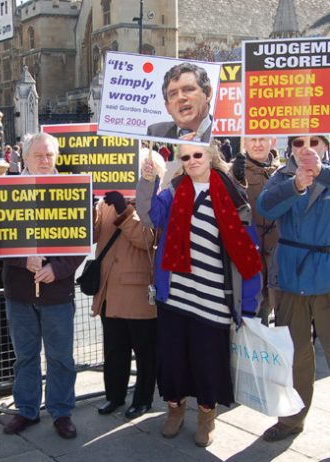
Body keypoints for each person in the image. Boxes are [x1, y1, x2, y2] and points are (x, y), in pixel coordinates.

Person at [137, 143, 262, 447]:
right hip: (176, 294)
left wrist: (248, 305)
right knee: (172, 360)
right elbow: (148, 216)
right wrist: (148, 181)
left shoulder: (233, 195)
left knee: (208, 363)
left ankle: (207, 417)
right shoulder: (173, 190)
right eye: (185, 157)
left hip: (214, 297)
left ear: (210, 157)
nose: (191, 161)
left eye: (197, 155)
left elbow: (249, 254)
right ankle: (175, 410)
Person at [2, 132, 84, 439]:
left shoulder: (72, 190)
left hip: (57, 291)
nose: (45, 160)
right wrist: (25, 260)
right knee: (25, 355)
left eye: (49, 155)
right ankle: (27, 410)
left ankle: (61, 411)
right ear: (24, 157)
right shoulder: (7, 191)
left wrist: (56, 268)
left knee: (61, 356)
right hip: (20, 291)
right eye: (38, 155)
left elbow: (81, 241)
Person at [257, 134, 330, 442]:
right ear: (290, 147)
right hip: (291, 279)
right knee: (296, 356)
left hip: (326, 277)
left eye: (315, 141)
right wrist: (296, 185)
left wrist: (321, 173)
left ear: (326, 145)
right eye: (299, 142)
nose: (306, 148)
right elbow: (265, 207)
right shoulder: (282, 176)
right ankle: (290, 421)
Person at [94, 151, 165, 420]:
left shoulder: (155, 204)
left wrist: (125, 210)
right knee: (114, 350)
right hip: (109, 289)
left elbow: (147, 241)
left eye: (146, 172)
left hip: (138, 291)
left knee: (145, 351)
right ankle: (114, 396)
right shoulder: (108, 202)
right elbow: (91, 232)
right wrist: (88, 205)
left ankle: (143, 399)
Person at [231, 137, 281, 326]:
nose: (257, 144)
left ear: (273, 141)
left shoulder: (283, 173)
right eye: (252, 139)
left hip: (277, 259)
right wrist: (235, 179)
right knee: (252, 322)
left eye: (262, 139)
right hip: (249, 260)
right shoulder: (235, 171)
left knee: (278, 320)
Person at [147, 63, 213, 143]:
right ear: (168, 107)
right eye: (173, 94)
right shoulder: (155, 133)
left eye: (188, 89)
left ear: (208, 94)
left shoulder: (226, 135)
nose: (180, 98)